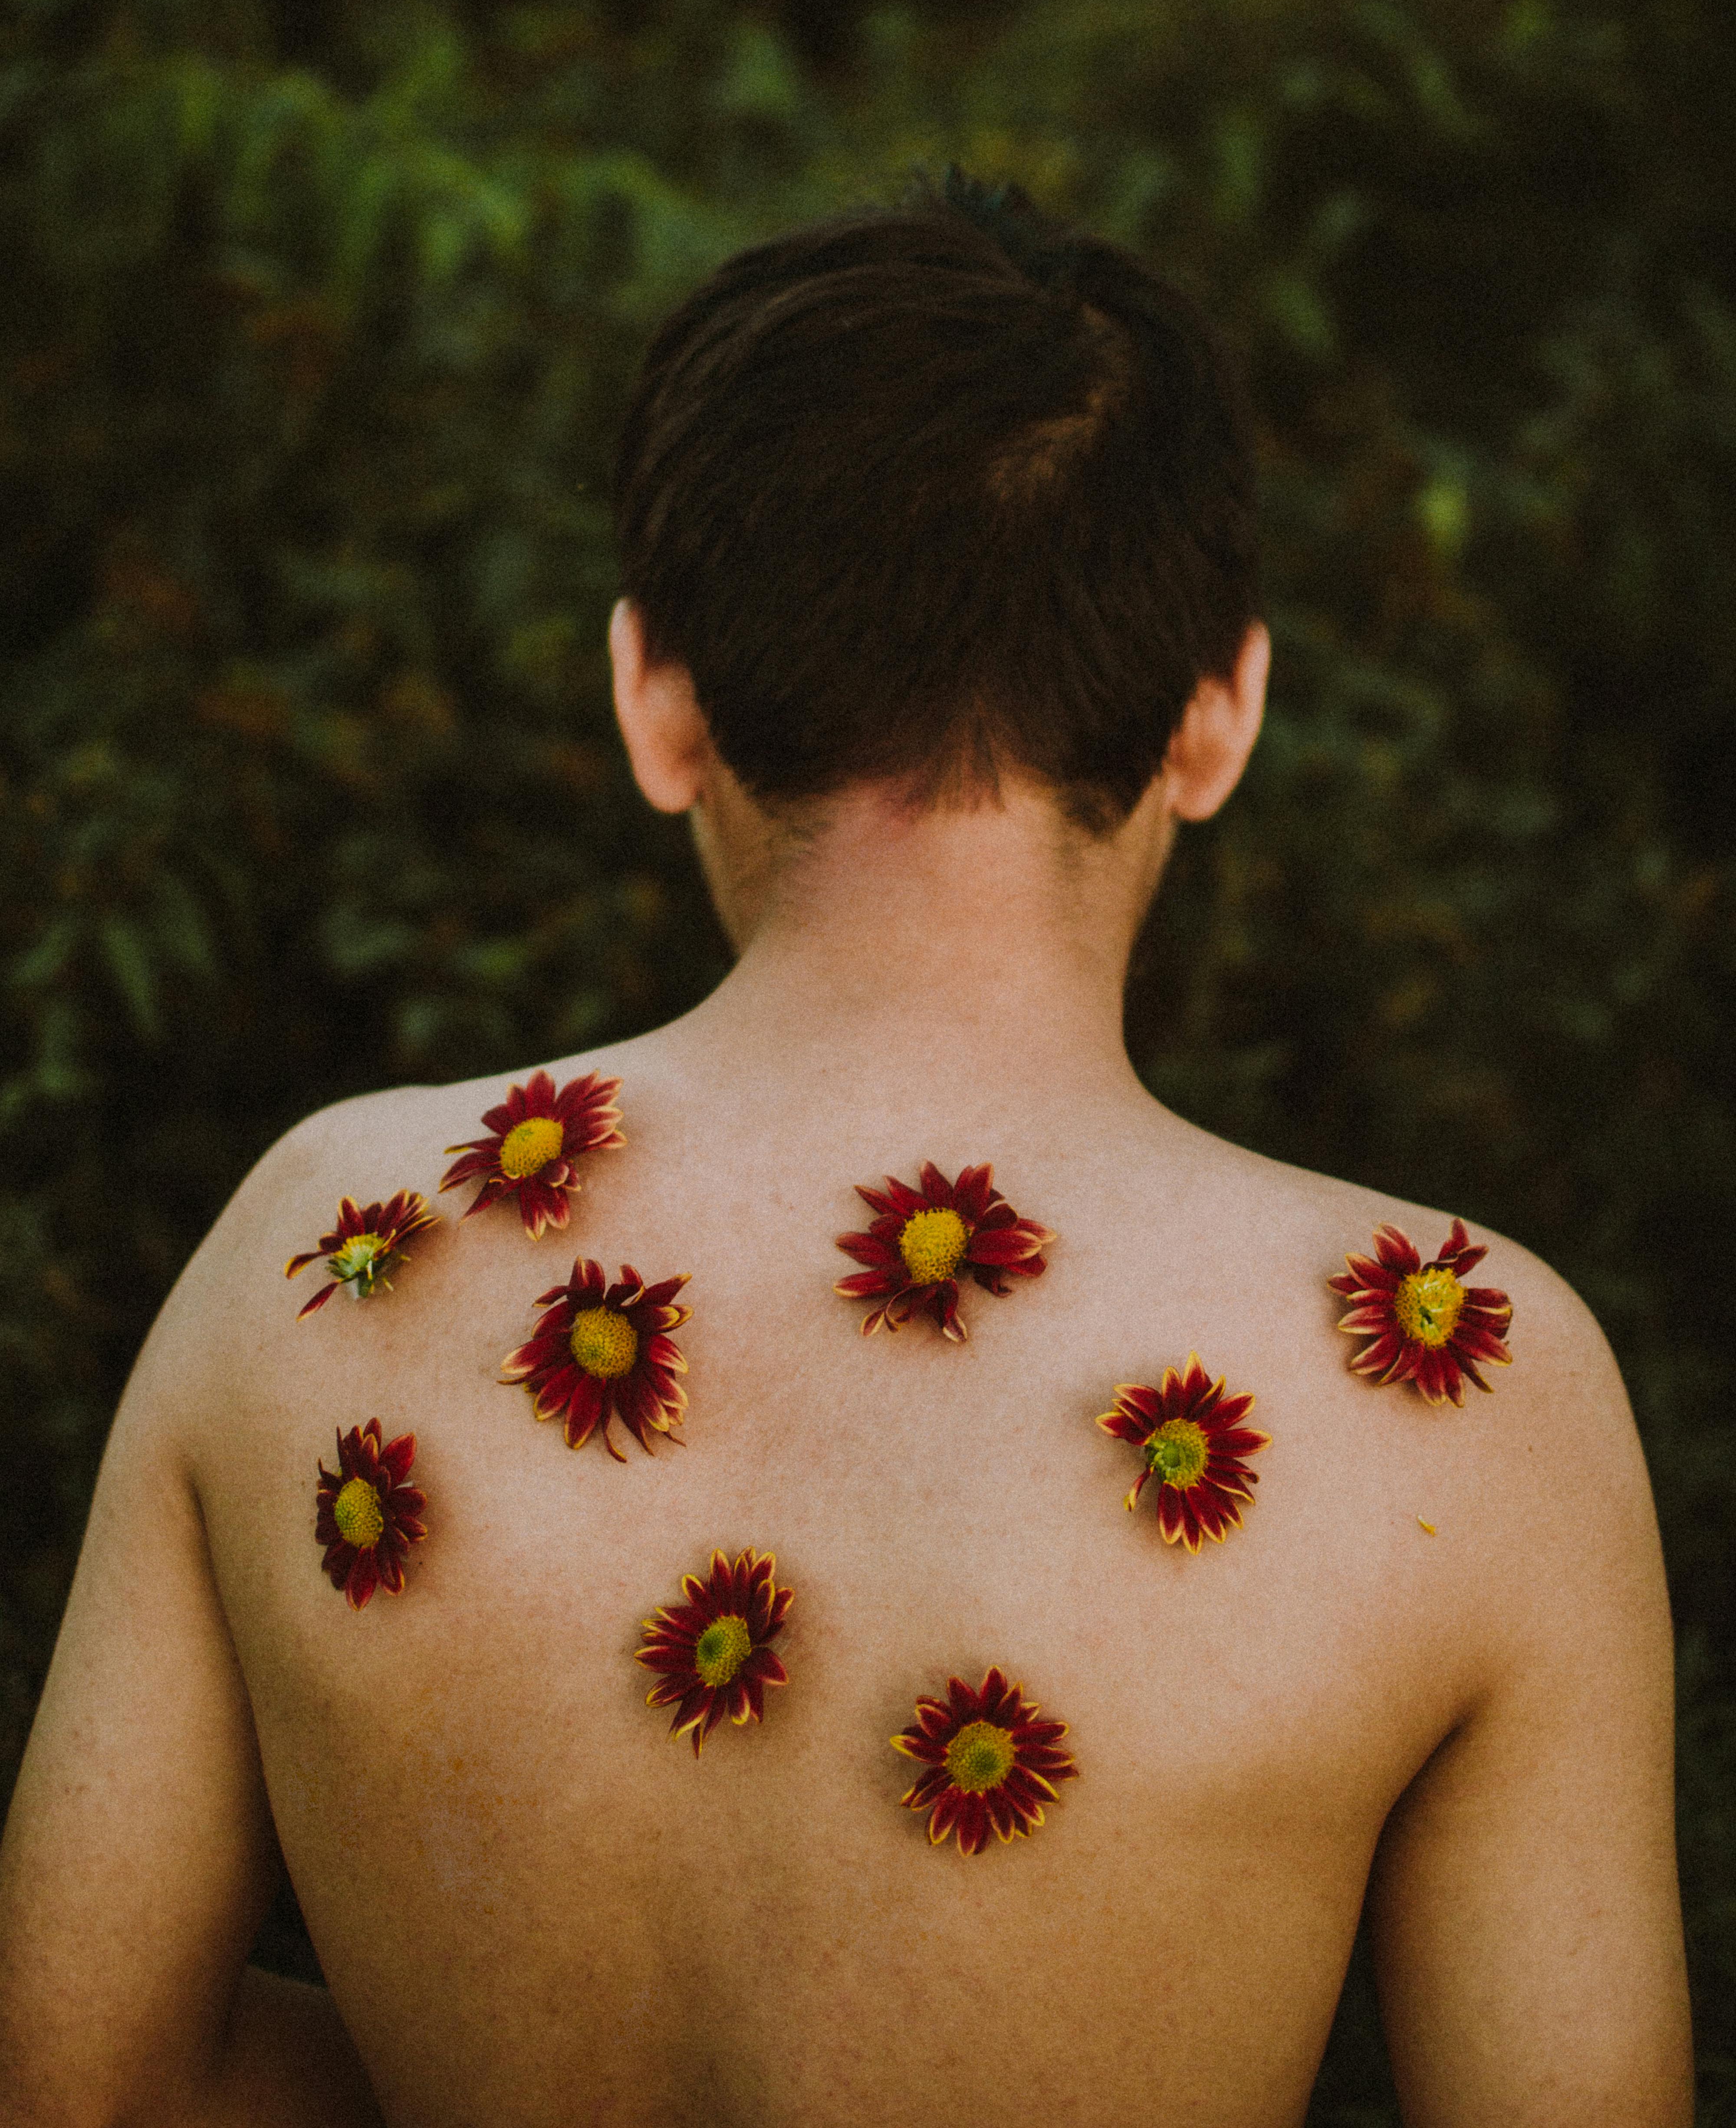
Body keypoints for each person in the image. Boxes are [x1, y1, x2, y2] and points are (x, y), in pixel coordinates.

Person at [0, 175, 1691, 2128]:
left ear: (653, 699)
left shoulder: (308, 1249)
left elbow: (85, 2079)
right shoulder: (1473, 1392)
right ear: (1219, 714)